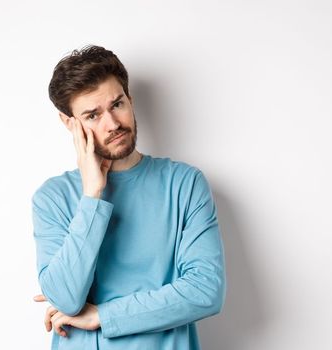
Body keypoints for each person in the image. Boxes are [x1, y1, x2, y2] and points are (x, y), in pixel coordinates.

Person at [31, 45, 226, 349]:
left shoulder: (184, 184)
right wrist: (92, 195)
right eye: (92, 115)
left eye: (117, 104)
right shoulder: (52, 198)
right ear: (71, 124)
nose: (112, 124)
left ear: (130, 100)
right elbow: (66, 299)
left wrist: (104, 315)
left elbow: (204, 292)